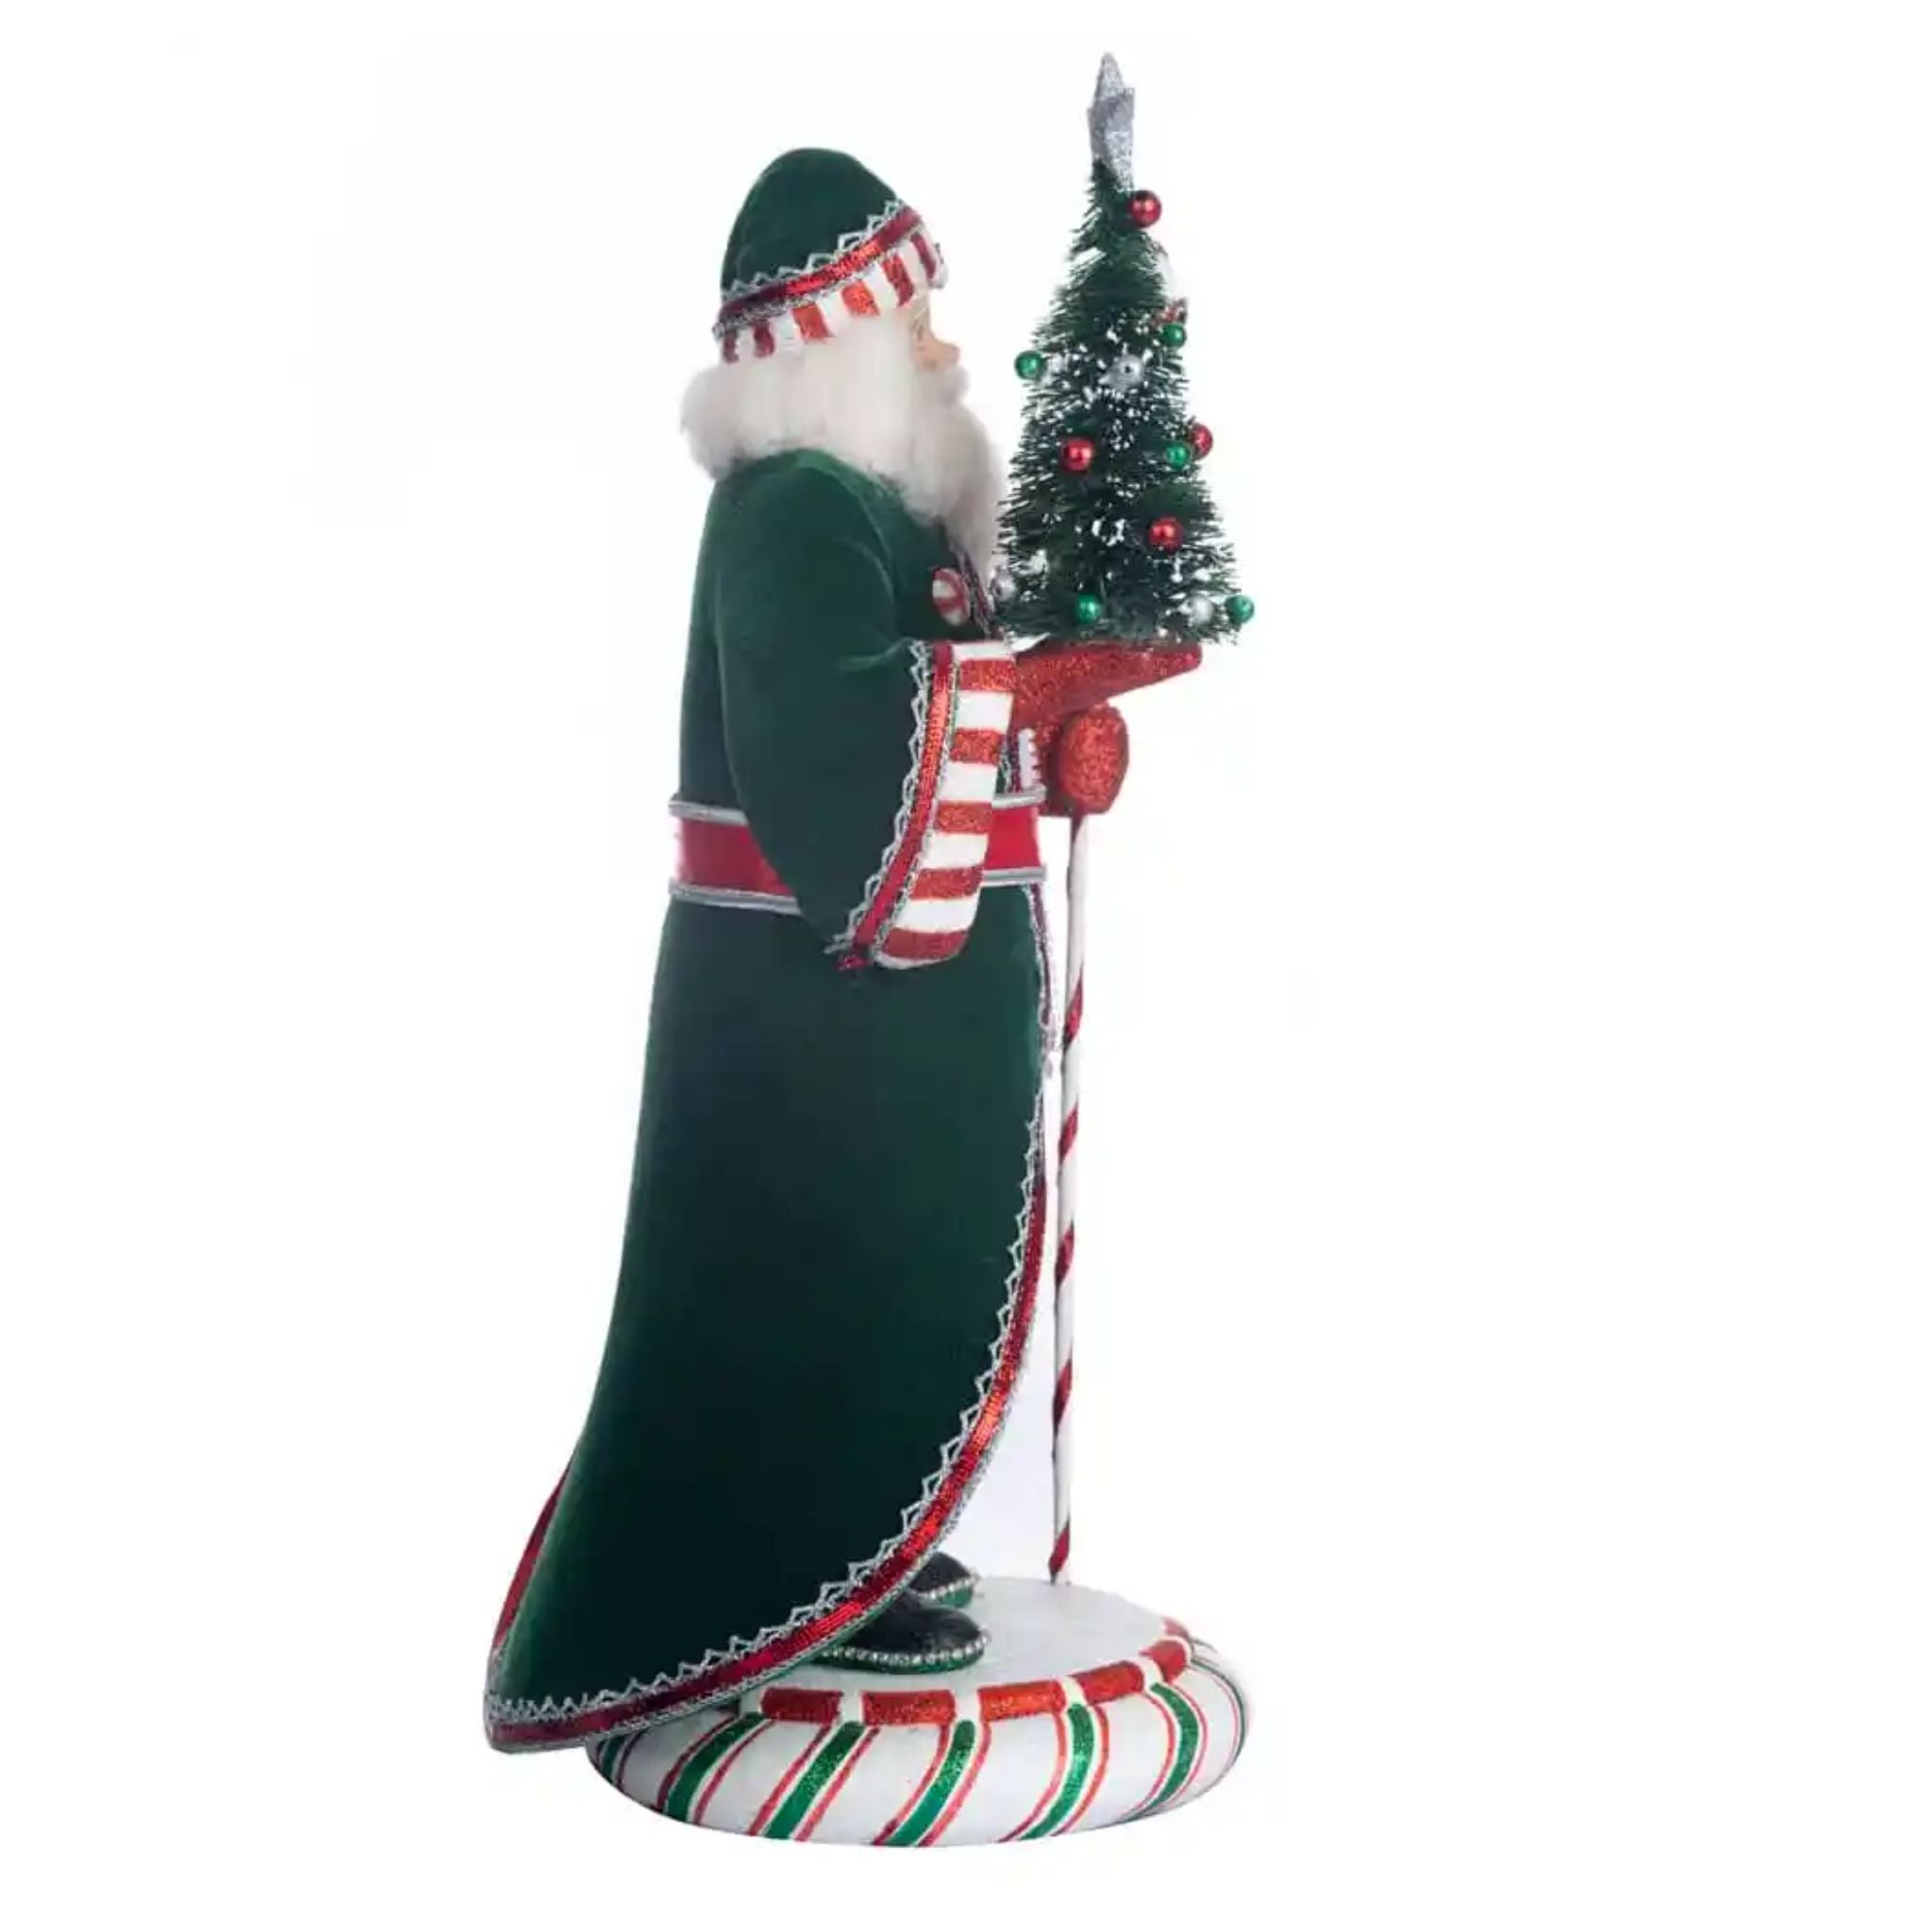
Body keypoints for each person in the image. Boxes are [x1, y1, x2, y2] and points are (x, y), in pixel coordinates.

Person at [486, 148, 1194, 1752]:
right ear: (836, 352)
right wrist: (1039, 690)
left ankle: (853, 1548)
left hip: (893, 1024)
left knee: (885, 1285)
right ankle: (784, 1573)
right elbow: (834, 749)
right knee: (813, 1281)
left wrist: (1055, 749)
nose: (946, 349)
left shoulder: (883, 506)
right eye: (914, 322)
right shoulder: (795, 510)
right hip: (812, 1025)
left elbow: (945, 722)